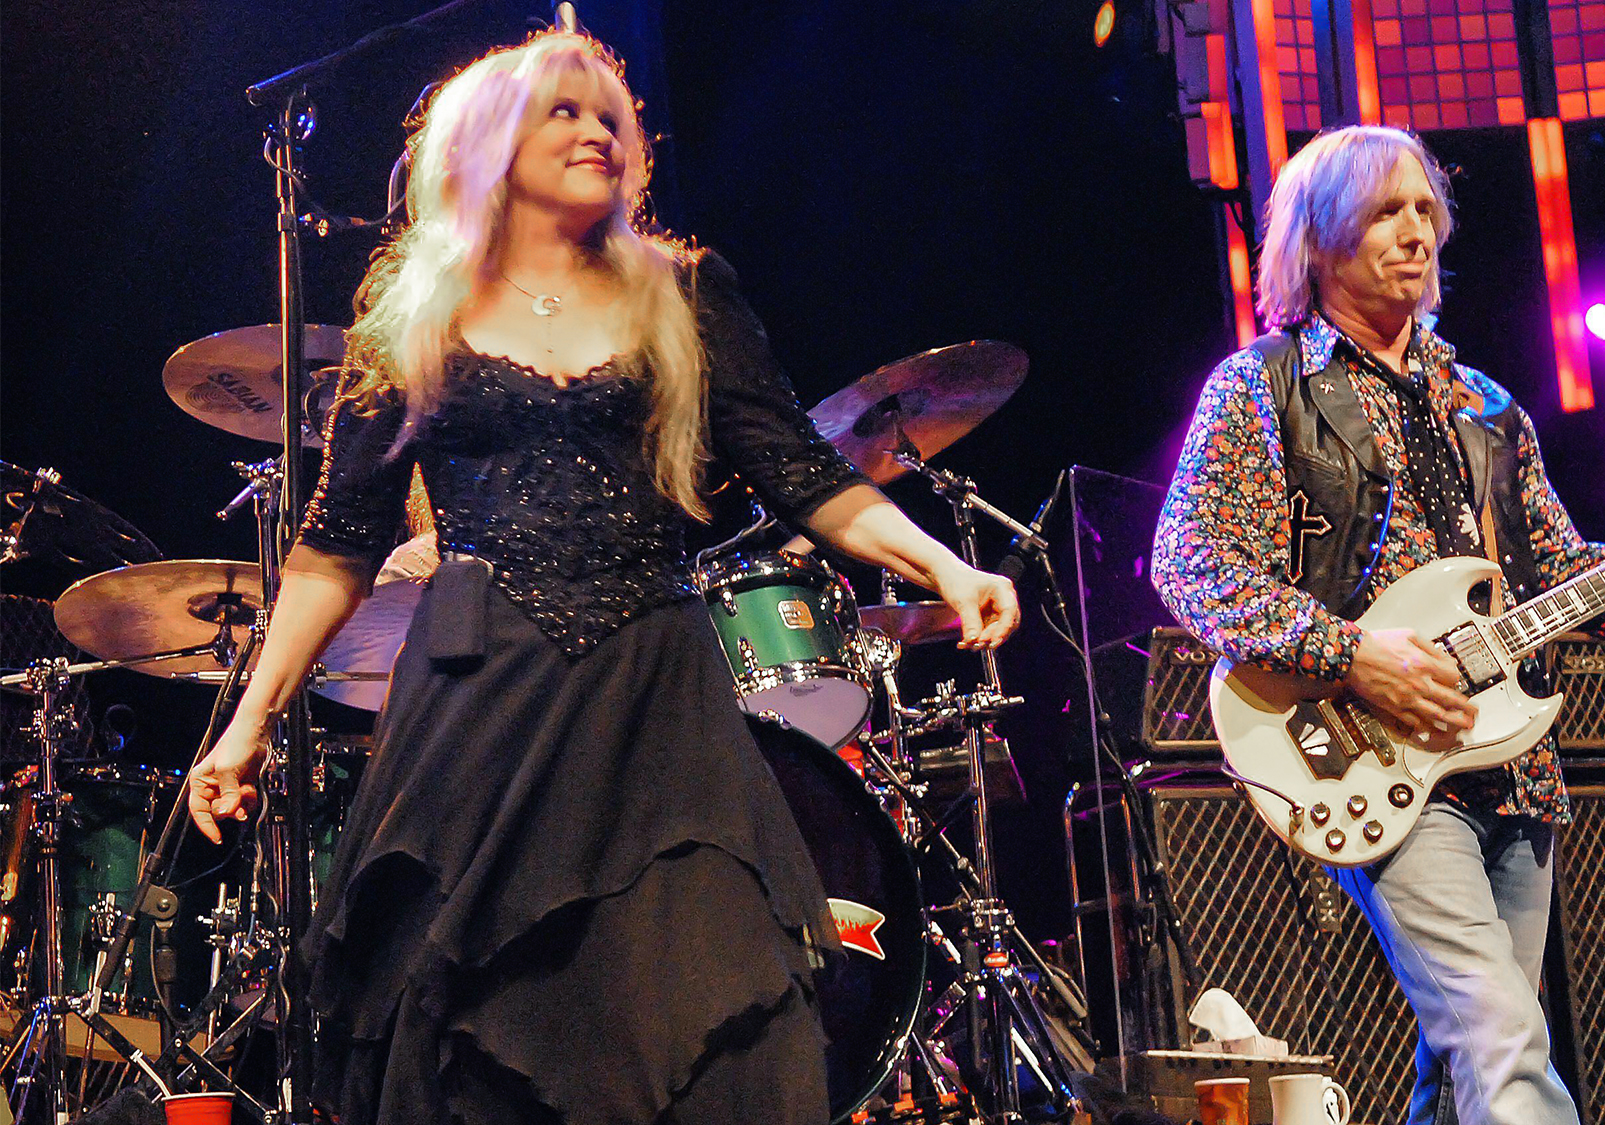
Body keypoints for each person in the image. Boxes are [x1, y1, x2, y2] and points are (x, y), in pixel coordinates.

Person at [186, 29, 1019, 1125]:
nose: (597, 133)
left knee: (696, 987)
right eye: (564, 113)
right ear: (487, 145)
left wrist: (942, 562)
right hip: (479, 700)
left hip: (651, 688)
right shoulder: (411, 314)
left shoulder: (684, 292)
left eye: (610, 118)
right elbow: (337, 544)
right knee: (466, 1013)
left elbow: (803, 474)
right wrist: (246, 724)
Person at [1150, 125, 1605, 1125]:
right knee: (1502, 1040)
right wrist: (1354, 654)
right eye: (1386, 212)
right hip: (1374, 760)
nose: (1417, 231)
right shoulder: (1263, 387)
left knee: (1462, 1065)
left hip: (1512, 763)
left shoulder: (1488, 408)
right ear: (1320, 240)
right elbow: (1190, 561)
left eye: (1426, 209)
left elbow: (1568, 578)